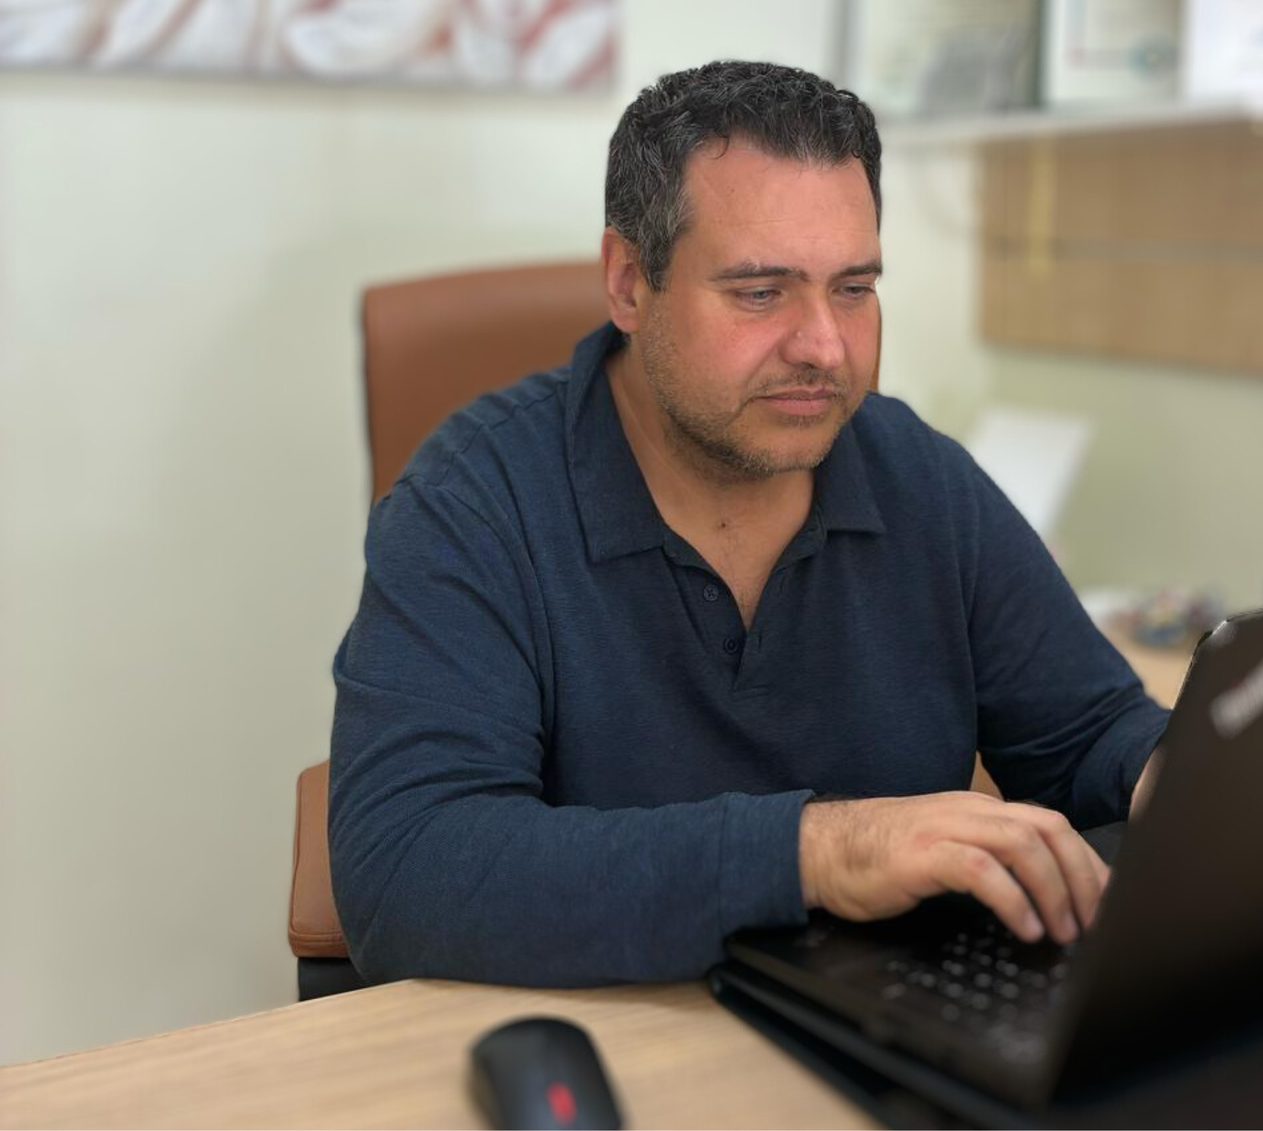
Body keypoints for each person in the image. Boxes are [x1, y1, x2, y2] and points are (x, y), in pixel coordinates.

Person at [329, 60, 1169, 988]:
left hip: (870, 1025)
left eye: (853, 288)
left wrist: (1182, 774)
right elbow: (406, 871)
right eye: (761, 292)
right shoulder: (473, 500)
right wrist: (823, 850)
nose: (825, 346)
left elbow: (1087, 736)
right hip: (606, 1037)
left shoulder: (917, 474)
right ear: (628, 282)